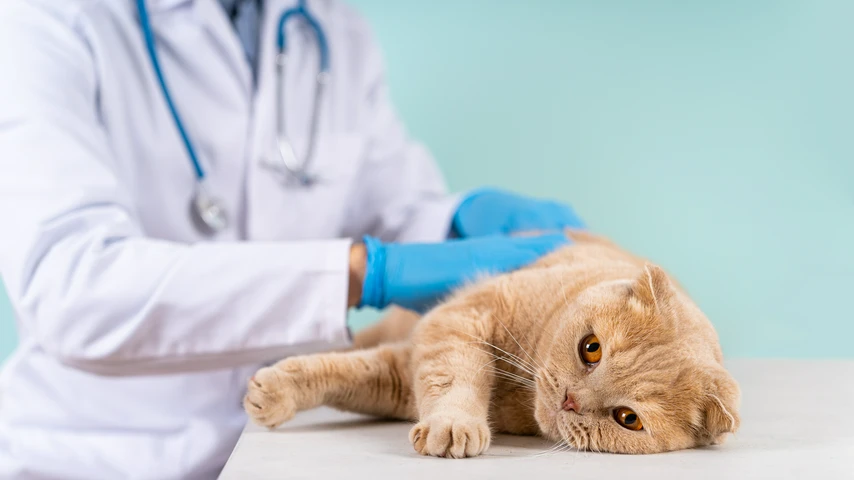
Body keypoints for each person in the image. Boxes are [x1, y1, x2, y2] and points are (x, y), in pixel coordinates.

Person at [0, 1, 584, 478]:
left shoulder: (328, 28)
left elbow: (390, 206)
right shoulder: (47, 21)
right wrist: (361, 273)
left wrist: (455, 219)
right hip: (86, 455)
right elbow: (70, 284)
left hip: (277, 441)